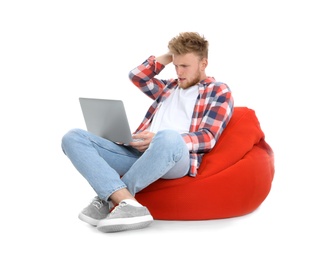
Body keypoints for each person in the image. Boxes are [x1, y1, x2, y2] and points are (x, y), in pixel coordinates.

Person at [61, 32, 234, 233]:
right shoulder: (168, 87)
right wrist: (171, 55)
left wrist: (157, 140)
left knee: (167, 136)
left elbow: (208, 138)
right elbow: (137, 75)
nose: (179, 71)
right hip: (139, 153)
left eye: (185, 66)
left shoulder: (218, 91)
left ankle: (106, 199)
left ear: (204, 63)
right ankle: (129, 204)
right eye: (176, 65)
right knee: (73, 137)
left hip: (176, 156)